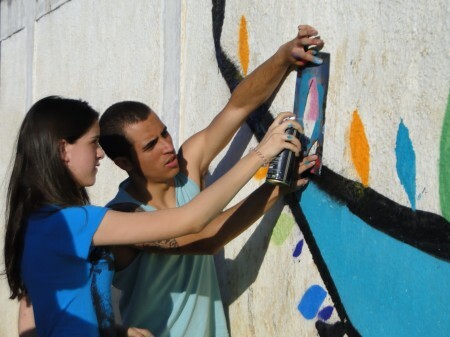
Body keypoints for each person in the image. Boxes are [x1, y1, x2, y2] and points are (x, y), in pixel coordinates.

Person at [4, 96, 302, 337]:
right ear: (63, 150)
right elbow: (191, 221)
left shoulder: (36, 224)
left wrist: (116, 333)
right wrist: (261, 155)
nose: (100, 155)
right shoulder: (73, 222)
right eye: (93, 143)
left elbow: (31, 323)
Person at [98, 25, 323, 336]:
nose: (167, 146)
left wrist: (284, 57)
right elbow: (207, 238)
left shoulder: (187, 164)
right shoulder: (122, 218)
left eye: (164, 132)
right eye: (151, 145)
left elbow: (239, 106)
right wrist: (272, 180)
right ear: (123, 163)